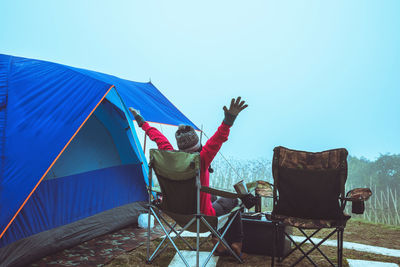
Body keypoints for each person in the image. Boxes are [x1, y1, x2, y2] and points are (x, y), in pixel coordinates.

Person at [129, 97, 248, 258]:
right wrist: (229, 120)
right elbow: (217, 139)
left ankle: (218, 242)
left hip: (179, 215)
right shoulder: (202, 159)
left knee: (211, 196)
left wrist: (141, 121)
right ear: (198, 147)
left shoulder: (170, 157)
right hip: (202, 219)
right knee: (234, 201)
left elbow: (158, 138)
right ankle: (236, 244)